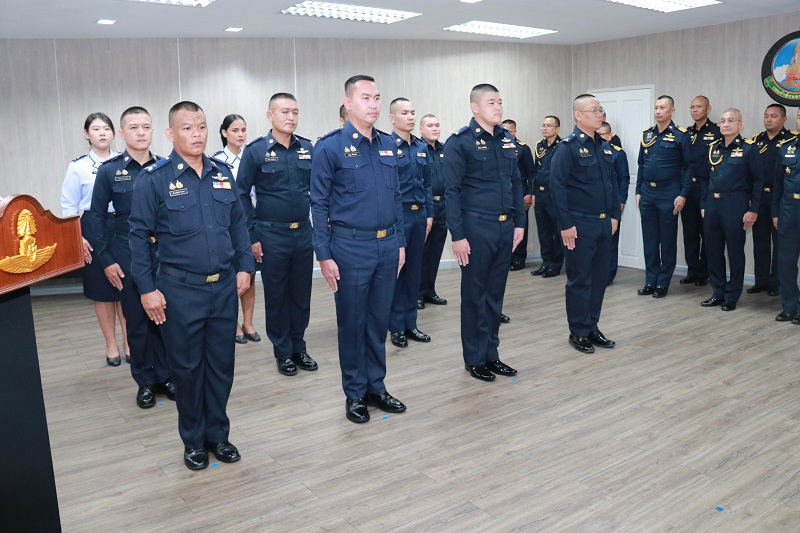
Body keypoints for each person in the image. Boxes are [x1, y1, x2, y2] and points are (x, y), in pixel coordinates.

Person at [129, 101, 255, 470]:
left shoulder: (222, 174)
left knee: (221, 366)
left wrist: (245, 266)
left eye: (201, 127)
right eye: (187, 128)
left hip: (224, 287)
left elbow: (238, 225)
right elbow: (138, 237)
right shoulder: (154, 179)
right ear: (171, 134)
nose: (196, 134)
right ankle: (194, 440)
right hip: (179, 290)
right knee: (187, 369)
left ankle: (218, 435)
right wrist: (146, 289)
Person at [311, 75, 407, 424]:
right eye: (366, 98)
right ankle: (354, 393)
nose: (374, 104)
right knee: (353, 323)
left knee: (378, 322)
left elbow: (397, 197)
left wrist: (400, 243)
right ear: (348, 103)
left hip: (387, 245)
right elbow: (319, 205)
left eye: (377, 97)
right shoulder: (329, 147)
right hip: (350, 248)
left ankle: (376, 387)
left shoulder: (388, 144)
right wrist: (324, 255)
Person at [87, 106, 173, 409]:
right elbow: (97, 218)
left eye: (146, 127)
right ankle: (145, 380)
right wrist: (106, 259)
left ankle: (166, 376)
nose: (141, 132)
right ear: (122, 133)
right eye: (134, 128)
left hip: (163, 253)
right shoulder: (110, 171)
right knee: (136, 321)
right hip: (127, 253)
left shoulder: (165, 167)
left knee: (165, 316)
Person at [445, 83, 524, 382]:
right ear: (475, 107)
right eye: (492, 102)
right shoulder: (460, 142)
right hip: (476, 228)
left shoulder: (506, 140)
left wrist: (519, 222)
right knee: (474, 296)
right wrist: (457, 235)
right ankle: (475, 358)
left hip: (505, 226)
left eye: (500, 102)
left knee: (495, 296)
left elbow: (516, 183)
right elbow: (452, 192)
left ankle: (492, 354)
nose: (498, 107)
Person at [236, 93, 318, 376]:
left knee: (301, 295)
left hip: (303, 232)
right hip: (271, 235)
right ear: (270, 115)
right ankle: (283, 351)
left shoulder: (307, 148)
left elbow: (318, 191)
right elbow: (241, 194)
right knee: (277, 296)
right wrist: (251, 236)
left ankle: (299, 347)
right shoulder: (256, 150)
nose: (291, 117)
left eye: (295, 111)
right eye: (284, 111)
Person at [550, 94, 620, 354]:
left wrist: (615, 215)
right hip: (579, 225)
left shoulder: (603, 146)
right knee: (580, 280)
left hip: (604, 223)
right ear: (578, 115)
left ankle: (592, 326)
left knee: (600, 279)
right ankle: (578, 331)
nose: (600, 114)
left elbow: (612, 183)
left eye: (601, 110)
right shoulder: (567, 147)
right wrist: (565, 224)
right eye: (594, 111)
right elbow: (557, 187)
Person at [61, 112, 128, 366]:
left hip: (122, 224)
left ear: (114, 133)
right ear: (86, 134)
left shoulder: (124, 161)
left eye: (106, 129)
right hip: (92, 227)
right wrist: (77, 236)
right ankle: (111, 344)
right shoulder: (77, 167)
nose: (102, 133)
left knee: (126, 287)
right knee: (102, 290)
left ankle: (130, 342)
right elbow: (69, 206)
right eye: (96, 129)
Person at [700, 109, 762, 312]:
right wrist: (703, 204)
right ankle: (718, 292)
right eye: (723, 121)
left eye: (731, 121)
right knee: (713, 251)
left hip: (735, 204)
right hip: (712, 205)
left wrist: (753, 210)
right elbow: (705, 179)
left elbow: (758, 182)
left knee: (735, 251)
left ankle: (732, 295)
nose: (725, 124)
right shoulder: (713, 148)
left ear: (740, 125)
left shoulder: (749, 149)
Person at [636, 95, 693, 298]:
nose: (658, 111)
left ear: (672, 111)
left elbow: (689, 167)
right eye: (656, 107)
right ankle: (650, 280)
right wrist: (638, 190)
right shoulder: (647, 135)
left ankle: (662, 283)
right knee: (650, 239)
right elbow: (641, 164)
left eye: (662, 108)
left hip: (669, 192)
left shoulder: (681, 135)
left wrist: (683, 194)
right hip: (647, 192)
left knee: (667, 239)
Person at [387, 98, 433, 348]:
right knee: (398, 271)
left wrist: (429, 214)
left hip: (419, 216)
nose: (411, 117)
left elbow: (427, 184)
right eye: (405, 113)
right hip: (399, 216)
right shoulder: (386, 146)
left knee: (414, 271)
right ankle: (396, 327)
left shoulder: (421, 147)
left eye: (413, 112)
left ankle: (410, 323)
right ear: (392, 118)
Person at [211, 114, 261, 344]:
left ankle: (248, 322)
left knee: (249, 272)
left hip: (248, 221)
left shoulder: (252, 157)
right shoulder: (215, 161)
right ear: (224, 133)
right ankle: (233, 324)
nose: (240, 135)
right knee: (229, 275)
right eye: (235, 130)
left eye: (243, 130)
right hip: (224, 223)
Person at [749, 104, 794, 296]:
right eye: (766, 116)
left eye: (773, 116)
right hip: (760, 197)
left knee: (780, 243)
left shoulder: (791, 140)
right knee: (760, 241)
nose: (768, 119)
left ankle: (776, 283)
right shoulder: (756, 141)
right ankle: (761, 281)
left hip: (781, 197)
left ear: (784, 119)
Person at [681, 96, 720, 286]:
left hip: (707, 187)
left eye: (699, 106)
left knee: (707, 232)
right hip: (689, 187)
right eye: (692, 107)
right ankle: (692, 270)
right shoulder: (686, 133)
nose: (695, 110)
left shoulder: (717, 132)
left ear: (708, 109)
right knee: (690, 232)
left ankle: (704, 272)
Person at [417, 113, 449, 310]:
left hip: (443, 206)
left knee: (435, 251)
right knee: (421, 253)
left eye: (437, 125)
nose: (434, 128)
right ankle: (418, 293)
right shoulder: (417, 149)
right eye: (430, 125)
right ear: (421, 129)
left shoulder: (446, 150)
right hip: (424, 207)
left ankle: (430, 290)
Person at [773, 108, 800, 324]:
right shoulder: (786, 147)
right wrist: (775, 212)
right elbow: (778, 184)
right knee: (786, 261)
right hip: (789, 209)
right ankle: (790, 306)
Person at [530, 115, 563, 278]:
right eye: (543, 125)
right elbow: (535, 171)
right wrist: (533, 192)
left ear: (557, 129)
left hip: (554, 194)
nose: (545, 128)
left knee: (556, 231)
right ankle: (546, 262)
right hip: (540, 194)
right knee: (543, 231)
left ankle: (555, 265)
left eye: (549, 126)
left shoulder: (563, 146)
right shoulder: (539, 146)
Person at [597, 121, 630, 284]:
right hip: (595, 203)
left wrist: (622, 200)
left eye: (602, 135)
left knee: (610, 240)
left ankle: (608, 275)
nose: (599, 137)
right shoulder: (591, 152)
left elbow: (624, 179)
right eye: (596, 134)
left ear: (609, 136)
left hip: (612, 202)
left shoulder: (618, 154)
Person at [502, 119, 535, 271]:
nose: (505, 133)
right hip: (503, 193)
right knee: (505, 227)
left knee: (520, 225)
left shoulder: (523, 148)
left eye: (508, 131)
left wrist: (529, 193)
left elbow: (531, 173)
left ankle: (519, 258)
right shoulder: (498, 146)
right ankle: (506, 258)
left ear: (514, 132)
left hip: (520, 193)